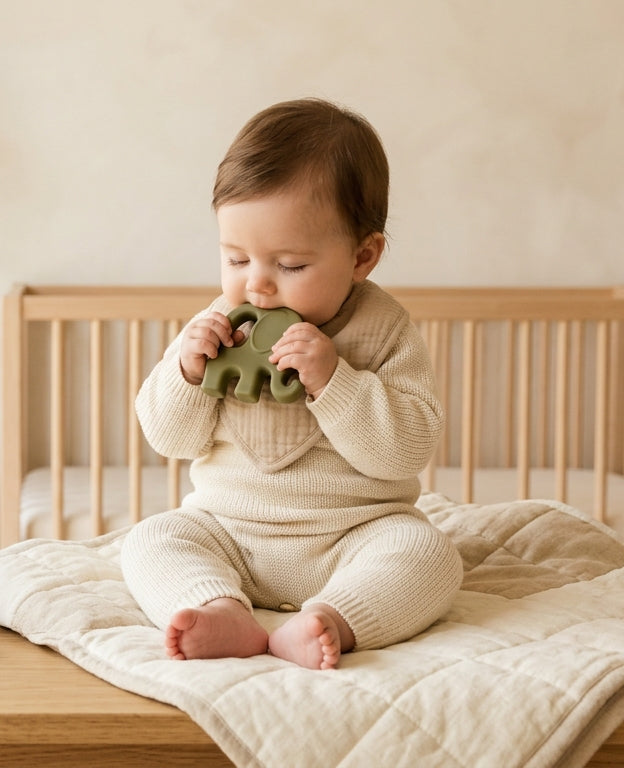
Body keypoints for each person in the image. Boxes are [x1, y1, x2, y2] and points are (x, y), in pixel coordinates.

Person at [121, 99, 462, 670]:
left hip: (355, 535)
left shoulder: (385, 330)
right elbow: (168, 439)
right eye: (235, 258)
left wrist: (336, 382)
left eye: (291, 266)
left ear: (362, 256)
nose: (257, 286)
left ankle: (330, 619)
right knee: (151, 538)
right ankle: (220, 606)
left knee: (429, 554)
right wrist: (187, 372)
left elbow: (408, 447)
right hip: (228, 532)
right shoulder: (217, 328)